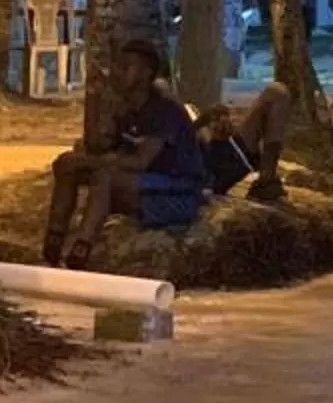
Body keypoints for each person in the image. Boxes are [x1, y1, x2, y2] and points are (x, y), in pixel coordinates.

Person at [42, 40, 209, 265]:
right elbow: (97, 146)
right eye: (117, 66)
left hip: (176, 191)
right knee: (67, 165)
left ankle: (81, 249)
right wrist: (93, 98)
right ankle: (53, 242)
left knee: (105, 177)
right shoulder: (126, 108)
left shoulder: (164, 111)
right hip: (141, 185)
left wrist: (96, 161)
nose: (116, 73)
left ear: (145, 73)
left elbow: (140, 162)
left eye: (125, 67)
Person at [199, 79, 292, 203]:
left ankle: (267, 179)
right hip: (218, 165)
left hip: (219, 155)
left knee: (276, 92)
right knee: (276, 92)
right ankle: (266, 180)